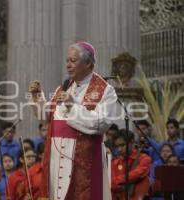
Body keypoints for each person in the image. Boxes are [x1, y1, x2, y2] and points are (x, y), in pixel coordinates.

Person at [29, 41, 117, 199]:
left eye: (73, 61)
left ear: (88, 62)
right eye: (67, 61)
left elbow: (101, 123)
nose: (68, 65)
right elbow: (46, 117)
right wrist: (37, 98)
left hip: (83, 160)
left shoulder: (105, 90)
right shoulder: (64, 87)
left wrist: (72, 105)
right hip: (56, 157)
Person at [111, 129, 151, 200]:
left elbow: (138, 173)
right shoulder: (115, 163)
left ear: (132, 142)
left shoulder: (144, 158)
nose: (119, 149)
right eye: (117, 146)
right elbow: (112, 185)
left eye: (122, 145)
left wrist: (117, 181)